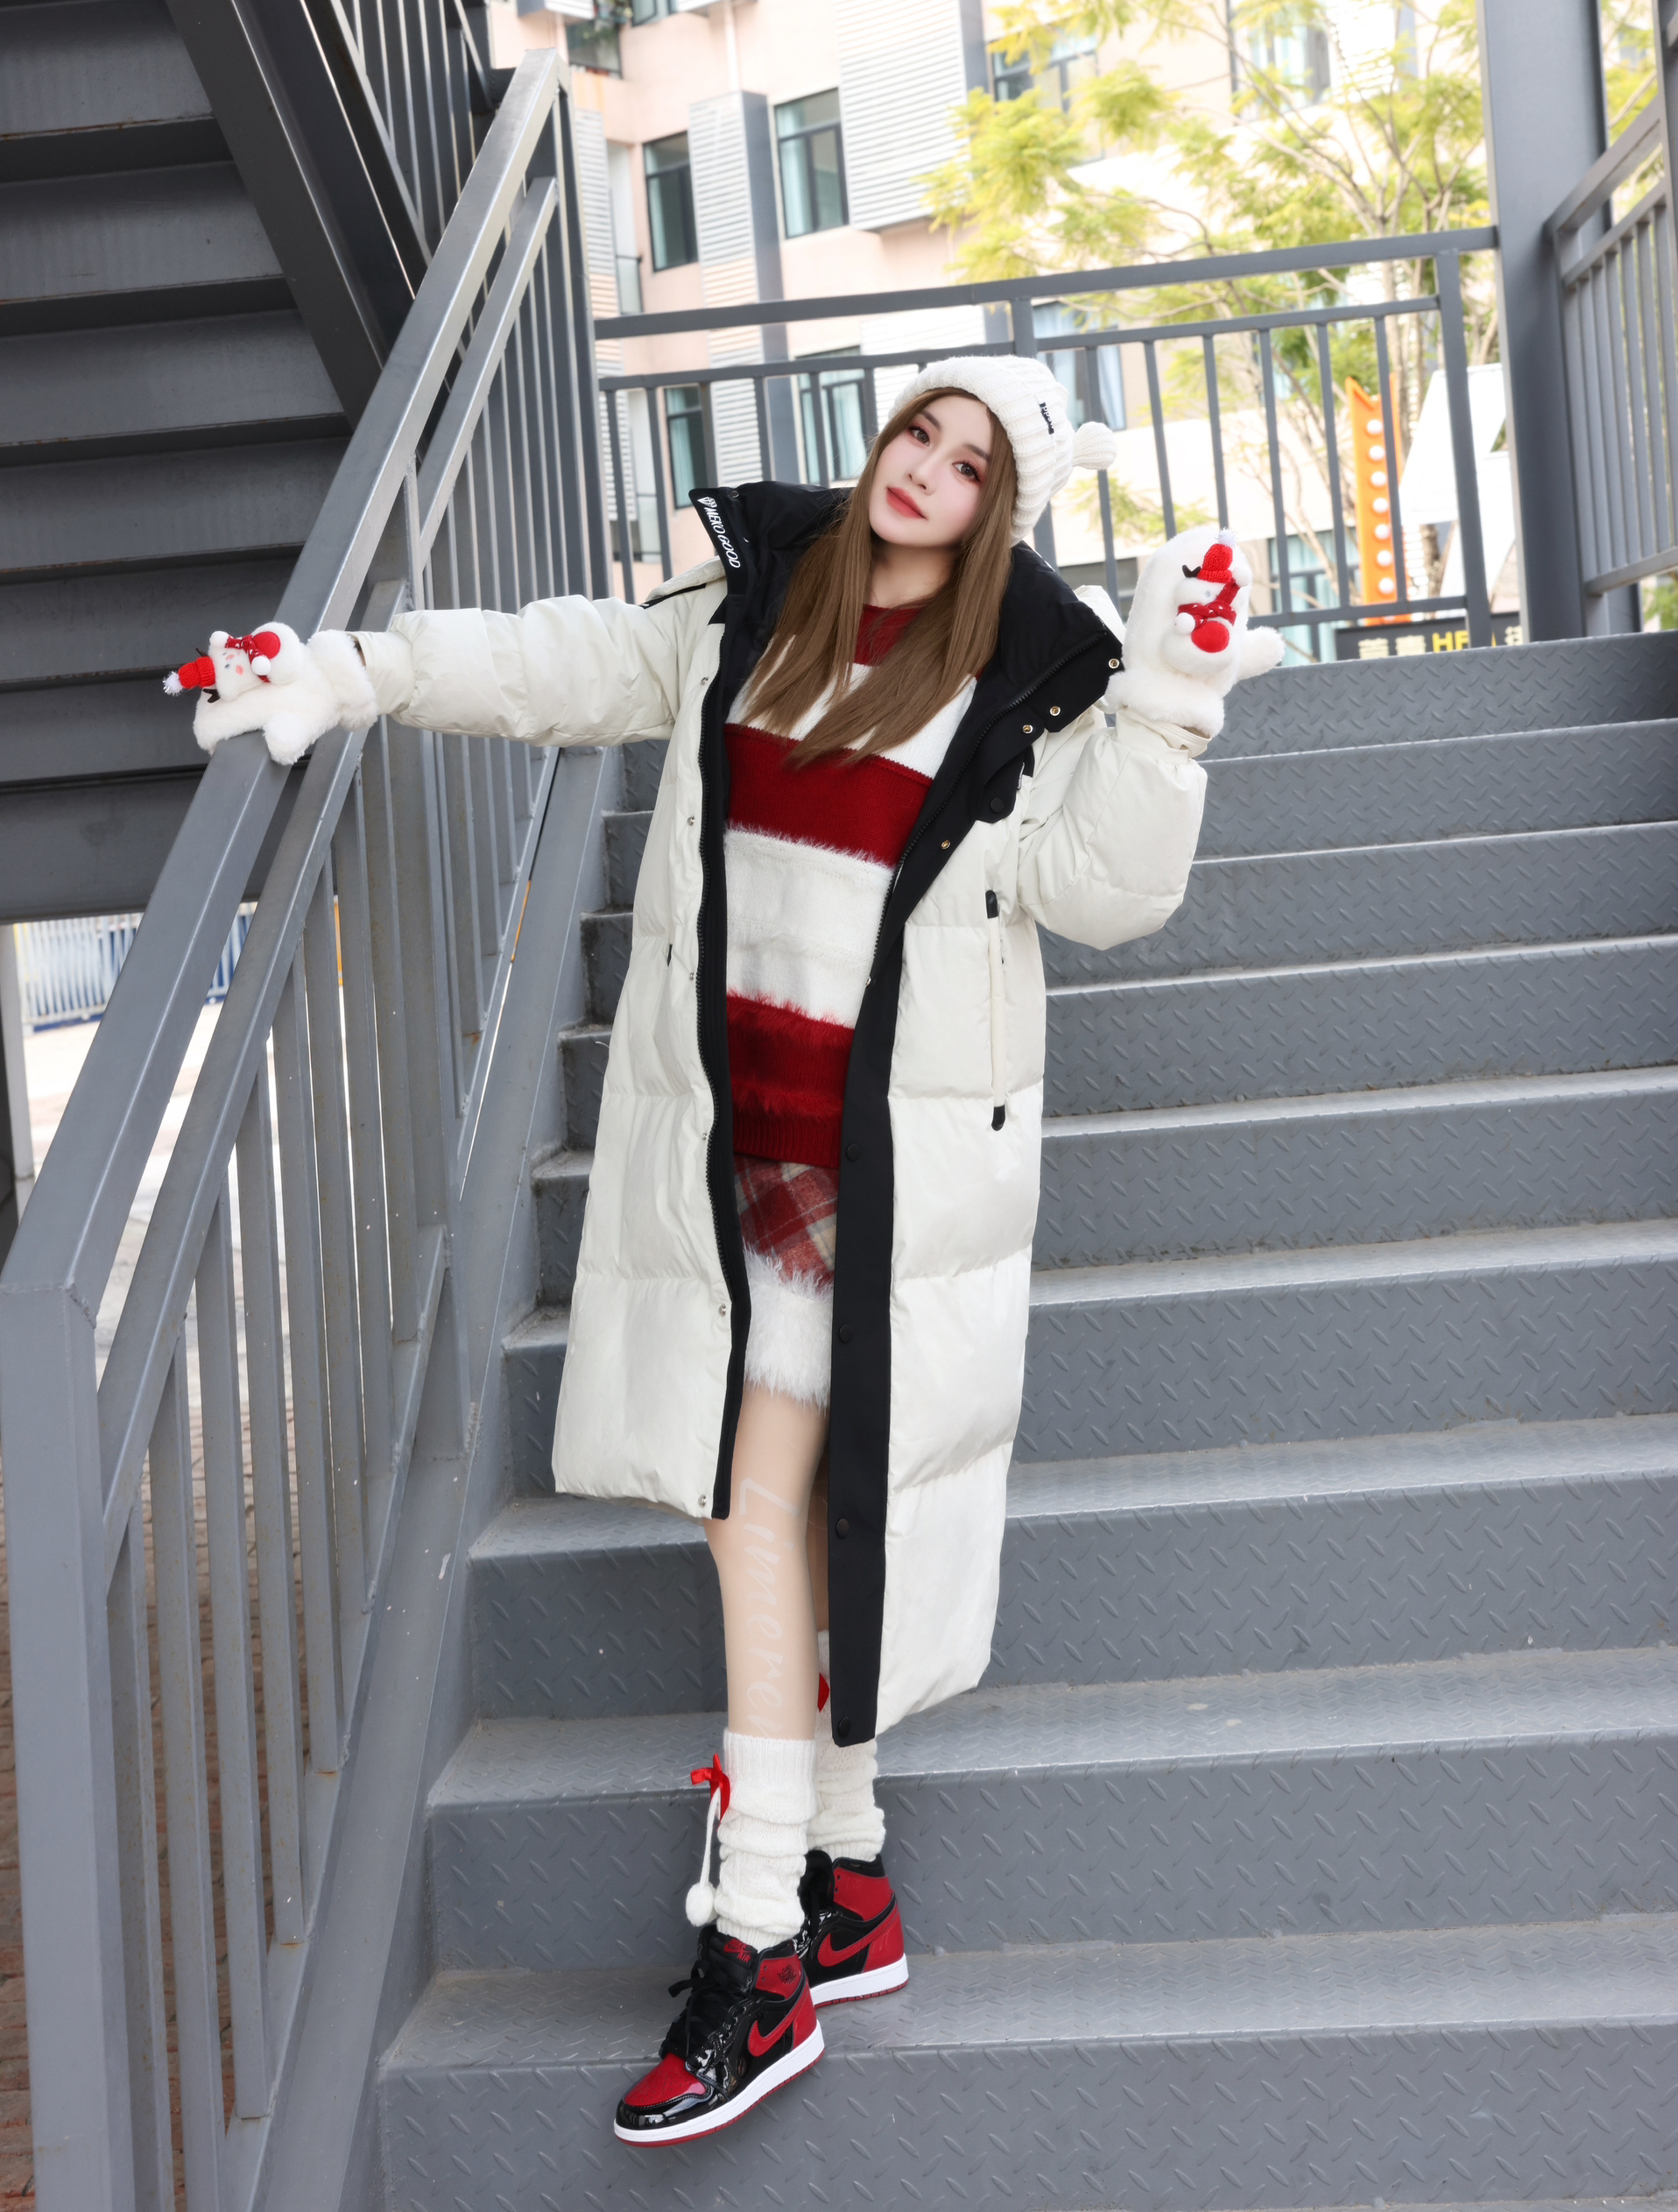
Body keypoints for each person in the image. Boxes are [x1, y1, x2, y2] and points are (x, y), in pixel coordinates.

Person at [179, 355, 1280, 2148]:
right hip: (726, 1151)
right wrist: (352, 672)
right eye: (919, 432)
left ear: (1006, 509)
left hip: (872, 1171)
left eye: (972, 462)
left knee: (752, 1506)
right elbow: (557, 664)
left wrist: (1167, 709)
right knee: (784, 1509)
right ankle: (847, 1879)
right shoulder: (752, 607)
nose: (927, 470)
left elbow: (1107, 894)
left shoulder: (1029, 682)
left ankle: (758, 1944)